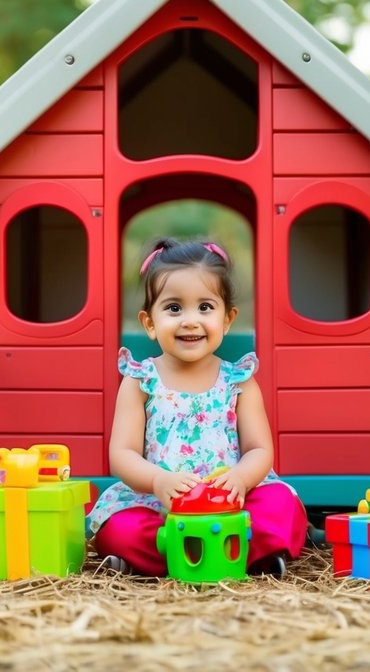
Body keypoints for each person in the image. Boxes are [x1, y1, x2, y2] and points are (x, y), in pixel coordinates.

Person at [89, 238, 308, 576]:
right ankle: (202, 554)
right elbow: (122, 453)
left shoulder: (239, 380)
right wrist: (158, 481)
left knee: (281, 505)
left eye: (205, 307)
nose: (190, 321)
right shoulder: (139, 381)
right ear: (149, 323)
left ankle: (237, 553)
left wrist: (241, 477)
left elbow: (260, 448)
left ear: (227, 319)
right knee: (120, 528)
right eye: (174, 308)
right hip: (162, 506)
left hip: (232, 504)